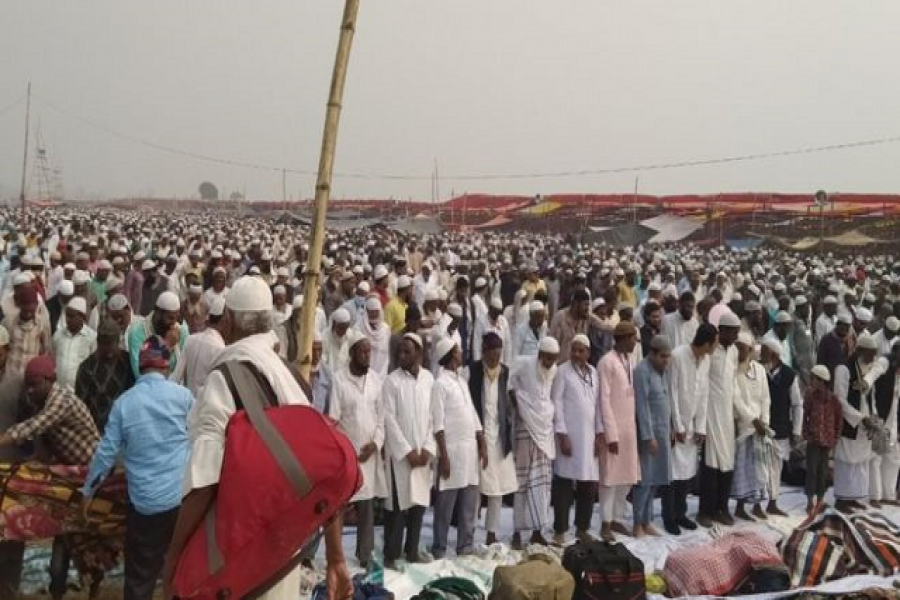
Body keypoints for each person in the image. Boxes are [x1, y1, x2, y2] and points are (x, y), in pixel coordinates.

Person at [162, 276, 352, 600]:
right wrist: (336, 557)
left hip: (242, 556)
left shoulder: (224, 380)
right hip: (285, 552)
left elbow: (204, 481)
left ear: (229, 320)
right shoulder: (290, 376)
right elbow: (321, 473)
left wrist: (172, 561)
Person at [81, 336, 193, 600]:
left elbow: (106, 454)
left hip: (146, 506)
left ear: (140, 366)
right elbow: (200, 435)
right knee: (182, 570)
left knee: (140, 578)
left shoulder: (124, 403)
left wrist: (88, 493)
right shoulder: (184, 397)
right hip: (181, 500)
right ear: (167, 364)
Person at [0, 355, 100, 600]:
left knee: (87, 540)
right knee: (64, 537)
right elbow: (44, 446)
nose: (30, 391)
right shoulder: (41, 401)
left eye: (34, 385)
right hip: (68, 476)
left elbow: (33, 426)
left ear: (50, 380)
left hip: (90, 477)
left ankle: (91, 584)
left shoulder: (60, 400)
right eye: (28, 385)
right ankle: (59, 588)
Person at [328, 330, 386, 569]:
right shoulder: (339, 380)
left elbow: (382, 418)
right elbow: (333, 421)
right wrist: (347, 451)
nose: (367, 355)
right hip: (348, 456)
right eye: (363, 351)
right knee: (340, 505)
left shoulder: (375, 380)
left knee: (366, 507)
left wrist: (376, 444)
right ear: (352, 353)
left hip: (369, 455)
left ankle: (365, 554)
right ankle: (336, 556)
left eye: (369, 351)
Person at [381, 333, 435, 570]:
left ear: (419, 354)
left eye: (407, 352)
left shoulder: (429, 379)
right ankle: (391, 554)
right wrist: (407, 452)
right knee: (397, 508)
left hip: (423, 454)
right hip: (401, 458)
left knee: (418, 506)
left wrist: (428, 449)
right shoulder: (391, 381)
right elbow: (389, 420)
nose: (402, 356)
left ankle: (412, 551)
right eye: (400, 352)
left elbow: (434, 416)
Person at [430, 338, 486, 559]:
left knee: (469, 503)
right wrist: (443, 456)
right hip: (451, 452)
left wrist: (481, 442)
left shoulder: (461, 381)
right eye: (459, 351)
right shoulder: (440, 384)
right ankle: (439, 548)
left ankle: (466, 546)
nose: (462, 353)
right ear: (452, 355)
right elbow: (438, 424)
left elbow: (472, 414)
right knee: (445, 505)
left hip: (469, 451)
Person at [663, 323, 716, 534]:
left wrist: (700, 427)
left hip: (692, 425)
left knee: (686, 474)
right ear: (707, 343)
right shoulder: (678, 356)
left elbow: (703, 394)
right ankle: (669, 517)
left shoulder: (706, 360)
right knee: (672, 475)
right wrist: (677, 425)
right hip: (675, 425)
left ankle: (681, 514)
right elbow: (672, 392)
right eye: (714, 344)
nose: (715, 348)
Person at [509, 336, 560, 550]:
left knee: (542, 482)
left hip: (544, 431)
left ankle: (537, 531)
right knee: (521, 481)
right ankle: (517, 532)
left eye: (553, 358)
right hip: (525, 428)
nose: (550, 362)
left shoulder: (554, 370)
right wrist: (517, 404)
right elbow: (508, 381)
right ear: (540, 354)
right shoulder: (524, 363)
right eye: (547, 358)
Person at [550, 335, 601, 545]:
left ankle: (582, 528)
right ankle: (560, 530)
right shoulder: (562, 371)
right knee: (563, 482)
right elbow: (556, 403)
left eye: (581, 351)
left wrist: (600, 434)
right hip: (569, 437)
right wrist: (562, 434)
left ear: (588, 352)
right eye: (574, 350)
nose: (576, 354)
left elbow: (597, 406)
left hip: (590, 437)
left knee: (588, 484)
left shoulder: (593, 373)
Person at [468, 332, 517, 545]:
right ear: (484, 352)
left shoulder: (505, 372)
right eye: (492, 355)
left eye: (499, 355)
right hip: (477, 437)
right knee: (475, 489)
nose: (495, 359)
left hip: (499, 438)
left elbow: (508, 403)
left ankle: (491, 533)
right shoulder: (472, 371)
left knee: (497, 489)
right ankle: (468, 532)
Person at [833, 332, 886, 514]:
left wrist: (873, 417)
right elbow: (840, 400)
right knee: (847, 461)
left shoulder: (868, 369)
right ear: (861, 350)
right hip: (851, 422)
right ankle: (842, 499)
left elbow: (871, 397)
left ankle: (855, 497)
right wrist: (860, 418)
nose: (873, 357)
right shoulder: (844, 369)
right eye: (871, 353)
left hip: (866, 423)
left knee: (862, 461)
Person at [597, 322, 641, 541]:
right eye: (633, 339)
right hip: (613, 429)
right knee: (609, 478)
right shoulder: (607, 362)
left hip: (628, 429)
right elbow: (603, 400)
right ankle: (605, 523)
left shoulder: (627, 361)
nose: (635, 343)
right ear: (623, 338)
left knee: (626, 478)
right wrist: (610, 434)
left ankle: (616, 518)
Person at [697, 311, 740, 528]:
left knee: (727, 464)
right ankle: (705, 511)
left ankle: (722, 508)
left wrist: (738, 415)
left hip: (727, 416)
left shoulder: (734, 352)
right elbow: (701, 383)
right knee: (710, 465)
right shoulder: (710, 352)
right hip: (711, 414)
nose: (736, 336)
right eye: (733, 332)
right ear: (722, 331)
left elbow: (733, 385)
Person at [632, 335, 672, 538]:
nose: (666, 360)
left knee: (656, 478)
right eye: (663, 356)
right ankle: (637, 523)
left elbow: (665, 401)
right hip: (648, 436)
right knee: (644, 481)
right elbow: (642, 406)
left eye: (668, 356)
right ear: (652, 354)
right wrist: (648, 437)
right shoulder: (642, 371)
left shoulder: (662, 371)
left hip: (662, 432)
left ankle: (647, 521)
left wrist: (670, 429)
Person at [732, 331, 773, 521]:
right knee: (742, 469)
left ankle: (757, 505)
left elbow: (766, 398)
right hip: (744, 426)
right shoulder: (733, 370)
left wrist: (764, 421)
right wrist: (752, 420)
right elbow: (736, 400)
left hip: (760, 427)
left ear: (750, 350)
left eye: (742, 348)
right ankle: (740, 506)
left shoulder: (760, 370)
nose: (738, 351)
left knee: (760, 468)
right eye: (737, 347)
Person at [760, 338, 802, 516]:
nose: (761, 355)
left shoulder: (789, 375)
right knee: (759, 467)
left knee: (775, 468)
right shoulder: (759, 370)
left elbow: (797, 405)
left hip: (780, 427)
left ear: (774, 355)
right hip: (760, 427)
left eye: (764, 352)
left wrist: (796, 431)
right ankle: (756, 504)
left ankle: (772, 502)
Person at [0, 325, 26, 596]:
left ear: (6, 350)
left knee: (13, 528)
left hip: (13, 469)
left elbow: (29, 424)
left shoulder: (18, 381)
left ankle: (9, 586)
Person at [75, 319, 136, 431]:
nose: (109, 354)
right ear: (98, 342)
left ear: (118, 341)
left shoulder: (128, 362)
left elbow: (134, 395)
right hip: (95, 430)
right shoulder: (87, 367)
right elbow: (80, 406)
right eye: (104, 346)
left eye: (111, 346)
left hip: (124, 427)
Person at [802, 365, 843, 514]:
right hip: (813, 440)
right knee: (811, 471)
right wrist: (806, 433)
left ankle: (819, 500)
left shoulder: (833, 400)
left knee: (822, 472)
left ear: (821, 381)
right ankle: (809, 501)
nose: (811, 381)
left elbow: (839, 420)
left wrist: (835, 438)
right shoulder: (810, 396)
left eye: (813, 378)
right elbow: (805, 416)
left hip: (827, 441)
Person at [169, 296, 227, 398]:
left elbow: (176, 376)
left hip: (185, 401)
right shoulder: (221, 350)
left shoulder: (190, 339)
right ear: (224, 322)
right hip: (203, 404)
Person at [128, 290, 188, 378]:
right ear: (158, 313)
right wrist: (167, 346)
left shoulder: (181, 329)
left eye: (176, 318)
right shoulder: (137, 333)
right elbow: (140, 375)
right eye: (170, 318)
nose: (173, 324)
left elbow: (186, 368)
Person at [869, 341, 900, 507]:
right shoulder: (884, 362)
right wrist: (873, 415)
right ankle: (875, 496)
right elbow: (871, 379)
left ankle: (888, 494)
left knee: (893, 457)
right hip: (880, 416)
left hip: (893, 418)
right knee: (876, 457)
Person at [1, 284, 52, 377]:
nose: (28, 314)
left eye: (31, 311)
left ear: (37, 305)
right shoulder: (8, 322)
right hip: (10, 374)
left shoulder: (42, 324)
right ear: (20, 305)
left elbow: (46, 350)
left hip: (31, 376)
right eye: (25, 311)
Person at [549, 289, 599, 364]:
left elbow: (604, 325)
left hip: (578, 364)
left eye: (588, 305)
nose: (587, 308)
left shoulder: (586, 317)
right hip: (560, 365)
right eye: (585, 305)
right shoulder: (560, 318)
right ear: (575, 304)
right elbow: (552, 345)